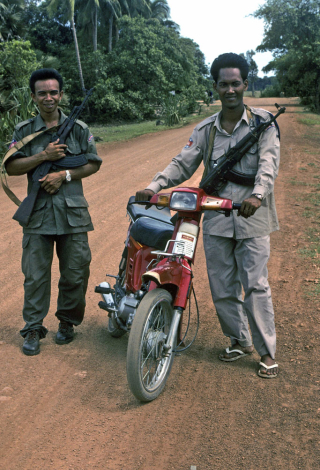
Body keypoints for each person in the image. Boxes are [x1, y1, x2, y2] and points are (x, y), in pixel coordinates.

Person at [136, 53, 280, 378]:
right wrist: (153, 186)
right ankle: (239, 340)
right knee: (222, 286)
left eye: (235, 83)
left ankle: (267, 352)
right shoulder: (206, 130)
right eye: (223, 84)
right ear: (215, 87)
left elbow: (268, 166)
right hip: (214, 217)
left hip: (252, 216)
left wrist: (257, 196)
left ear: (245, 84)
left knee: (255, 285)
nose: (230, 90)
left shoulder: (263, 124)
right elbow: (182, 163)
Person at [6, 68, 102, 356]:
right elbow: (10, 166)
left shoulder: (79, 129)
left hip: (73, 214)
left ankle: (67, 323)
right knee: (35, 275)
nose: (48, 97)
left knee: (75, 272)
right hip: (37, 214)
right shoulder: (24, 131)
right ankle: (33, 328)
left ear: (61, 94)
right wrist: (43, 157)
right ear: (34, 97)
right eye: (42, 93)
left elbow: (94, 162)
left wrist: (65, 175)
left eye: (53, 92)